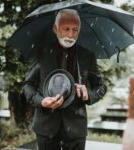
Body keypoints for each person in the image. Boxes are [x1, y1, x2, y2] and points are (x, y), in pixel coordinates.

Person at [23, 9, 107, 150]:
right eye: (66, 29)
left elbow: (101, 87)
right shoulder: (40, 53)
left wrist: (88, 94)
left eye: (75, 30)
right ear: (55, 29)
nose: (70, 34)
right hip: (45, 127)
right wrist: (41, 101)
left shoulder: (87, 56)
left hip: (76, 129)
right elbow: (28, 86)